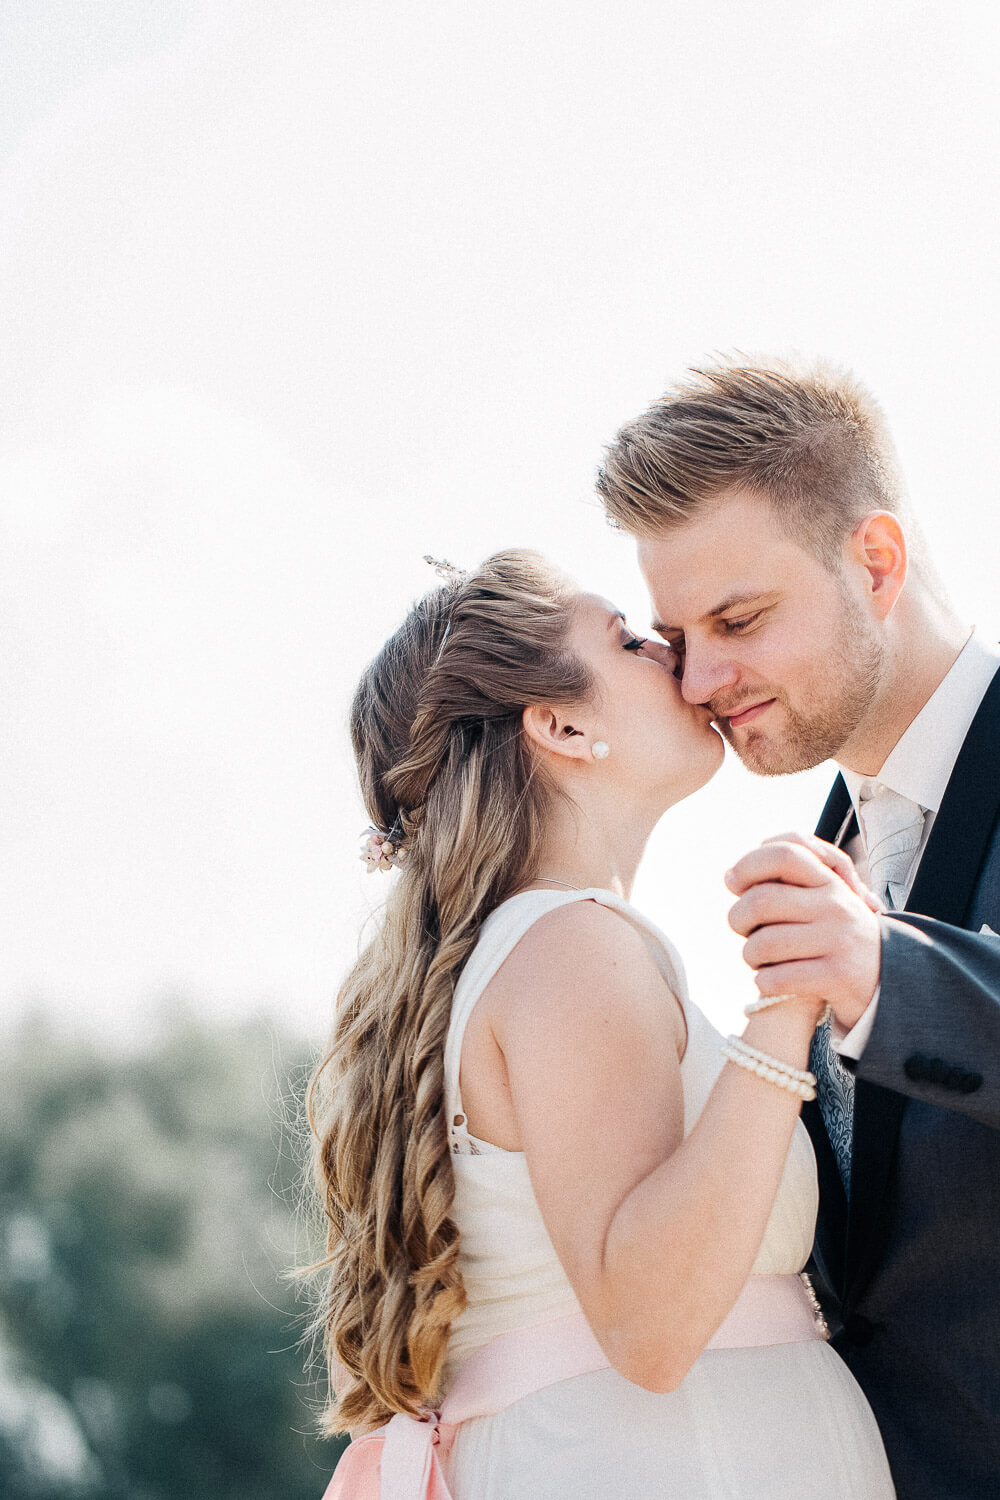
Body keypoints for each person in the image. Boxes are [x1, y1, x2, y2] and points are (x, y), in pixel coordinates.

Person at [308, 550, 894, 1499]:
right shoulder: (571, 948)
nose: (673, 653)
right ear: (562, 725)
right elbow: (654, 1325)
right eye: (628, 639)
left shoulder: (543, 950)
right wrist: (790, 1003)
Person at [596, 359, 1000, 1500]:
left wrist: (886, 975)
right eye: (679, 636)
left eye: (738, 618)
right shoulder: (824, 856)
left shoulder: (844, 930)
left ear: (874, 562)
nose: (702, 679)